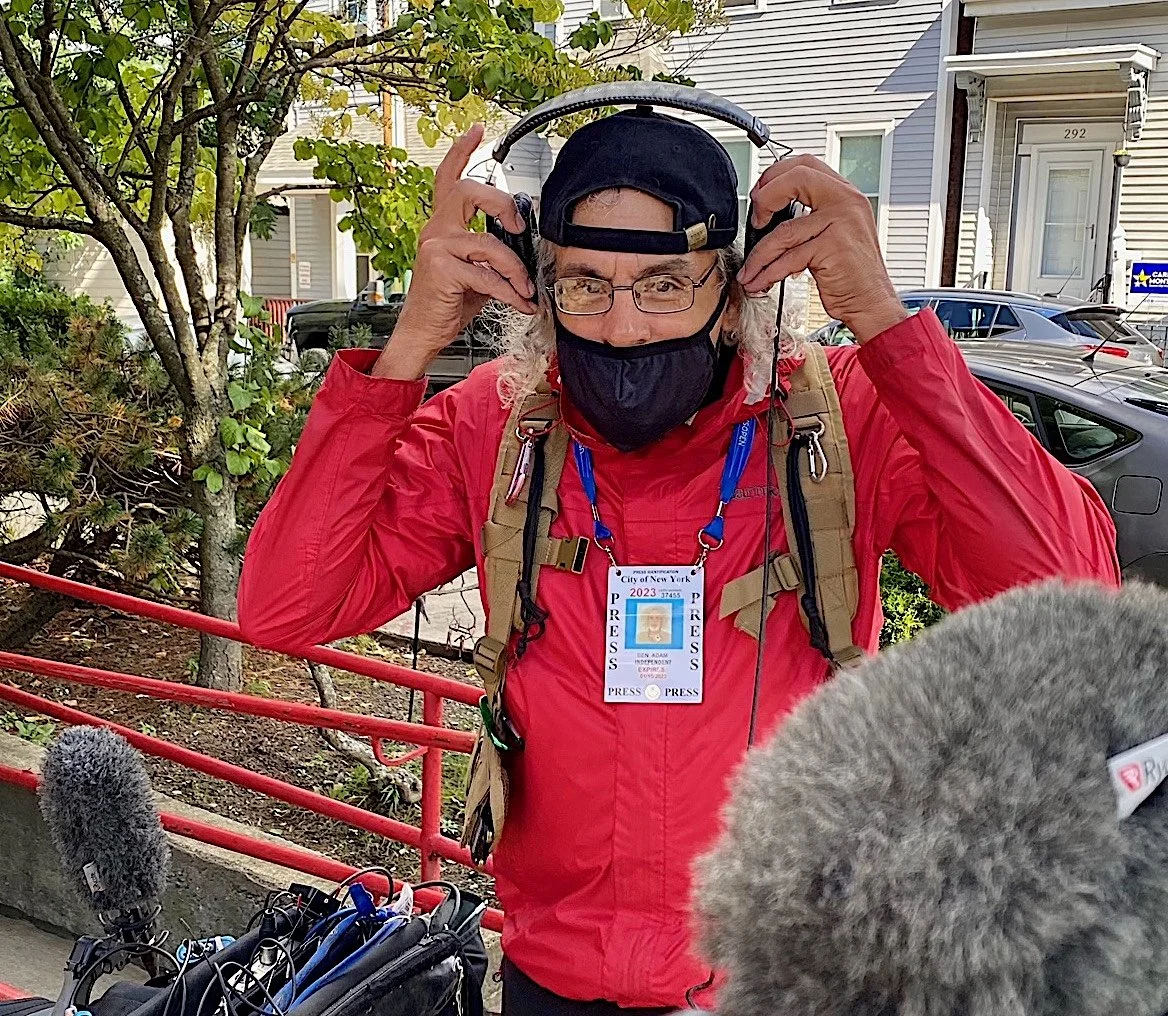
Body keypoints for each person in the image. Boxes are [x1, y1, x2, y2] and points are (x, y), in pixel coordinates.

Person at [238, 107, 1121, 1014]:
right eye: (586, 283)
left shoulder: (841, 418)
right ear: (539, 284)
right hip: (558, 976)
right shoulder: (498, 424)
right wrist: (408, 349)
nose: (623, 328)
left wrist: (888, 328)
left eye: (665, 284)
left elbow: (1071, 594)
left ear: (735, 288)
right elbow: (285, 606)